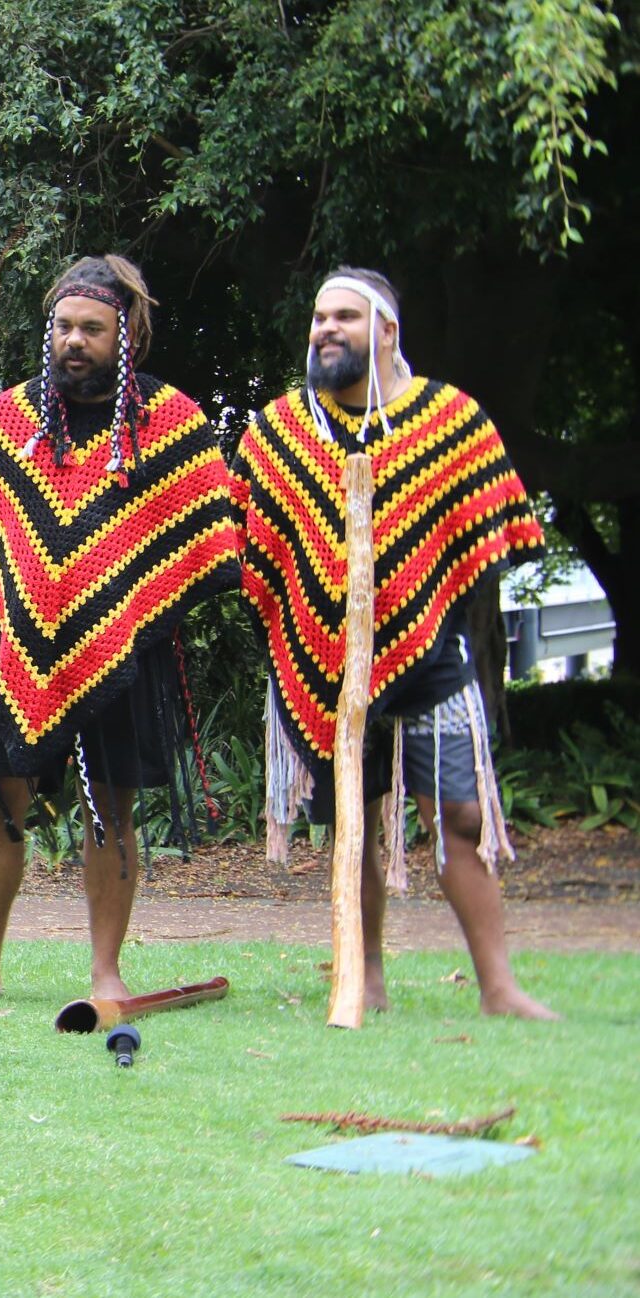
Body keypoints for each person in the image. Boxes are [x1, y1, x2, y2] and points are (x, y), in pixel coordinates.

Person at [231, 267, 556, 1019]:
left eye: (344, 316)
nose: (325, 330)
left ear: (386, 331)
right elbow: (244, 548)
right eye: (318, 318)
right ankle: (364, 975)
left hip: (430, 661)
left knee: (462, 820)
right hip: (318, 670)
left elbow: (482, 536)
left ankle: (499, 987)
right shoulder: (281, 431)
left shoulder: (448, 420)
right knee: (353, 824)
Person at [0, 255, 243, 1003]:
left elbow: (204, 536)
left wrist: (127, 609)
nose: (75, 340)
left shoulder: (169, 424)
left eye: (92, 329)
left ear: (126, 331)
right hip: (14, 649)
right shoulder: (10, 420)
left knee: (112, 804)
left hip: (124, 648)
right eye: (63, 326)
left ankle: (107, 972)